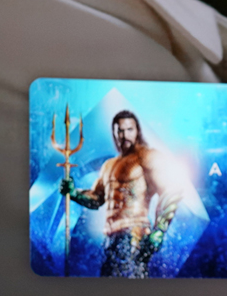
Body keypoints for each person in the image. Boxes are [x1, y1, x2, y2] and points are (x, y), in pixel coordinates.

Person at [60, 110, 182, 278]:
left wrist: (160, 229)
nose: (125, 135)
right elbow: (96, 198)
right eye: (120, 131)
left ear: (137, 131)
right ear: (114, 133)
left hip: (135, 235)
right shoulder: (109, 165)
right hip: (111, 239)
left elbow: (172, 188)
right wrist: (74, 193)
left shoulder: (145, 157)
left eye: (129, 130)